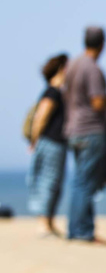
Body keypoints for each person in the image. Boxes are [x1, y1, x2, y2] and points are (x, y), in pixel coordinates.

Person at [64, 26, 106, 242]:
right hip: (90, 130)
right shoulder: (92, 68)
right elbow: (97, 102)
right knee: (86, 183)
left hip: (73, 129)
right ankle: (83, 231)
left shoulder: (72, 65)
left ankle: (75, 229)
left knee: (79, 181)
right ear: (102, 44)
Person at [28, 54, 68, 236]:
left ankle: (49, 223)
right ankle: (44, 223)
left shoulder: (58, 91)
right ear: (61, 68)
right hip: (51, 141)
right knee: (49, 181)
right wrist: (34, 140)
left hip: (56, 142)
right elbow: (41, 118)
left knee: (55, 182)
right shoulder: (52, 92)